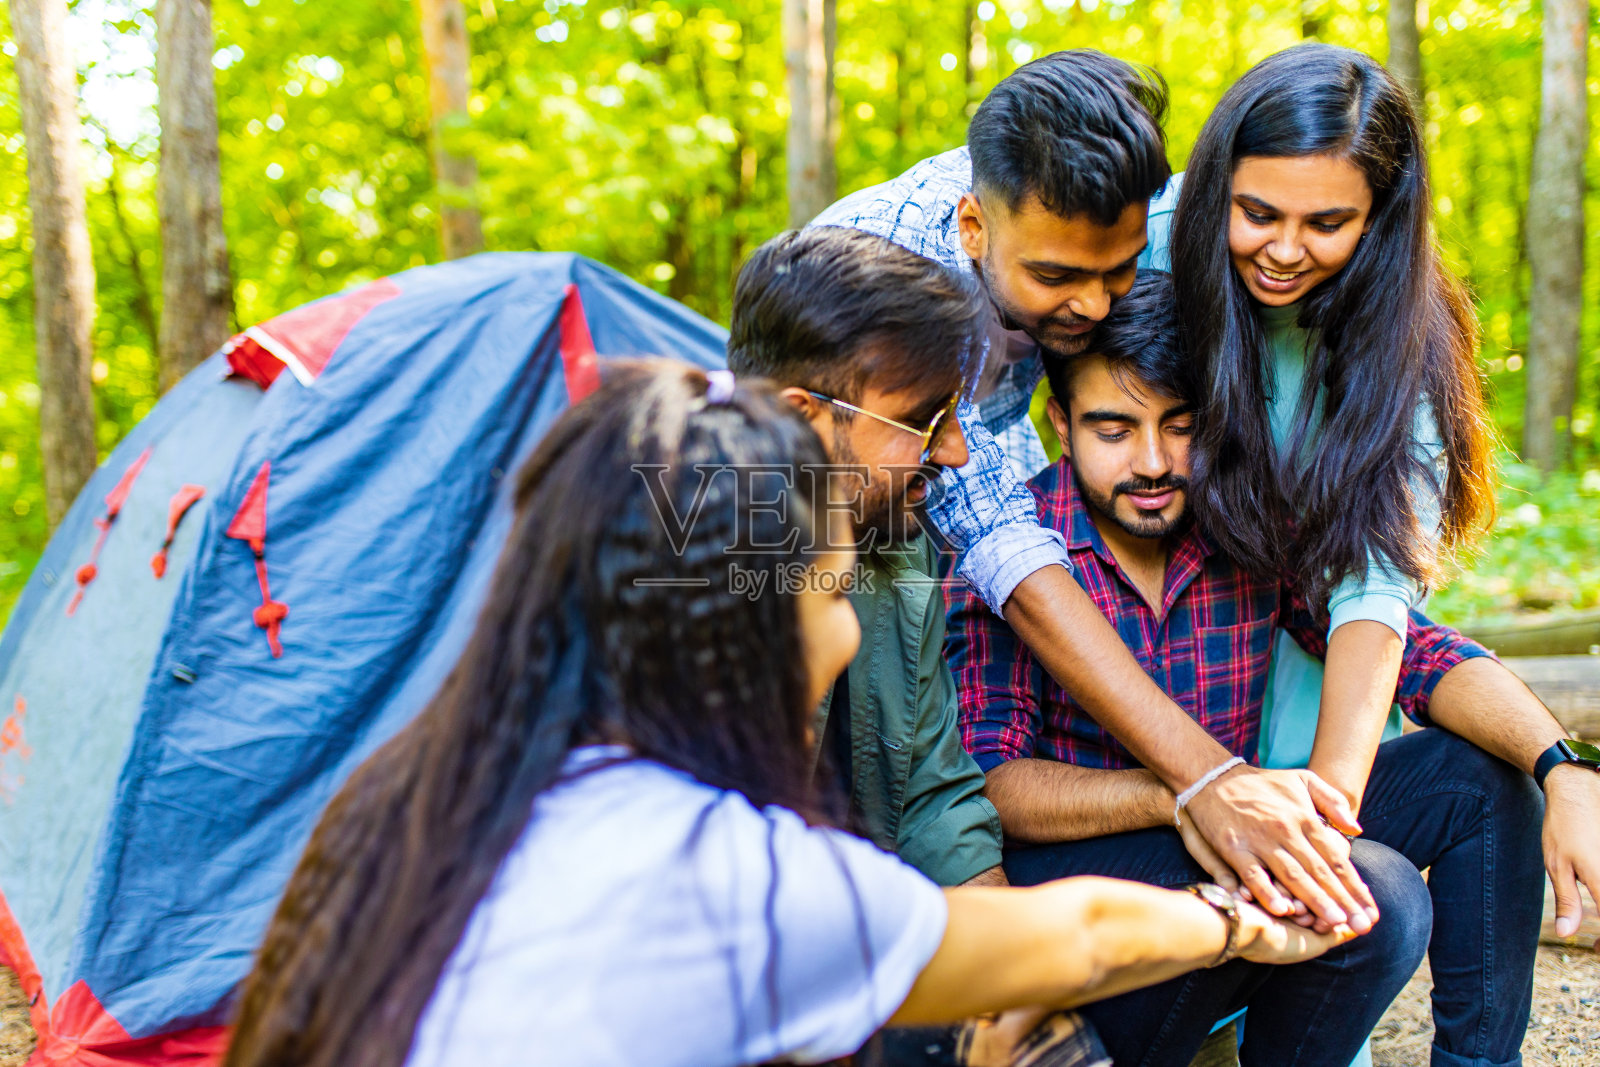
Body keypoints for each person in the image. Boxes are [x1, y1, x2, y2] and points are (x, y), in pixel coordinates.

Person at [222, 360, 1347, 1067]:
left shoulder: (415, 792)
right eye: (829, 580)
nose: (847, 613)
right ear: (746, 617)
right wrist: (1242, 922)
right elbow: (1073, 937)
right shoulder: (720, 870)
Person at [813, 48, 1374, 932]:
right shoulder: (889, 280)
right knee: (880, 738)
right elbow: (1003, 544)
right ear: (972, 227)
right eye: (1058, 280)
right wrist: (1203, 776)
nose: (1098, 308)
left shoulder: (1142, 209)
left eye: (1117, 272)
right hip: (843, 514)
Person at [947, 270, 1557, 1067]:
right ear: (1061, 422)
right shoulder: (1012, 556)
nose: (1154, 460)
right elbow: (992, 784)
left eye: (1180, 424)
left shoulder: (1243, 523)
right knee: (1380, 891)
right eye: (1113, 429)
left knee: (1481, 778)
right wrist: (1197, 796)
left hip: (1234, 857)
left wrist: (1561, 762)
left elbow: (1406, 646)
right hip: (1088, 900)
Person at [726, 226, 1003, 891]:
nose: (956, 453)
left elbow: (934, 800)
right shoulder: (686, 583)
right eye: (924, 420)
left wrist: (1011, 974)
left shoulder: (898, 543)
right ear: (804, 421)